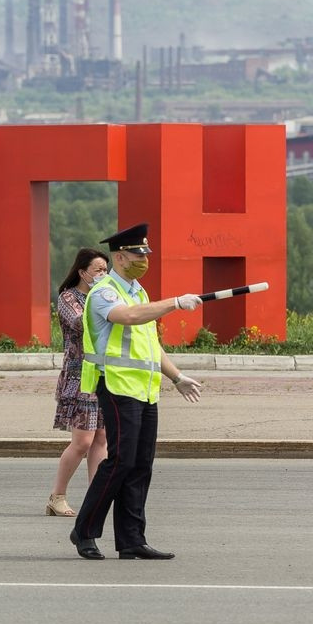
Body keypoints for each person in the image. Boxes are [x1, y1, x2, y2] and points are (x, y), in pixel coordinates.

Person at [70, 223, 203, 561]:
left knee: (141, 464)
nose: (144, 259)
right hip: (115, 386)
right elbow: (127, 318)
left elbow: (150, 344)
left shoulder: (138, 292)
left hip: (144, 390)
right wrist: (174, 302)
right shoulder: (105, 291)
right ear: (119, 256)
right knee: (120, 462)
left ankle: (131, 539)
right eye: (137, 253)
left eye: (146, 253)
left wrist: (176, 377)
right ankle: (84, 531)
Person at [46, 248, 110, 517]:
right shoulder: (69, 298)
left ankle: (96, 499)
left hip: (105, 375)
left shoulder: (108, 298)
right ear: (82, 272)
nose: (103, 275)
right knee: (82, 441)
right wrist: (107, 305)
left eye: (106, 270)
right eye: (98, 270)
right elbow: (82, 323)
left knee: (102, 439)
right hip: (79, 376)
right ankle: (57, 496)